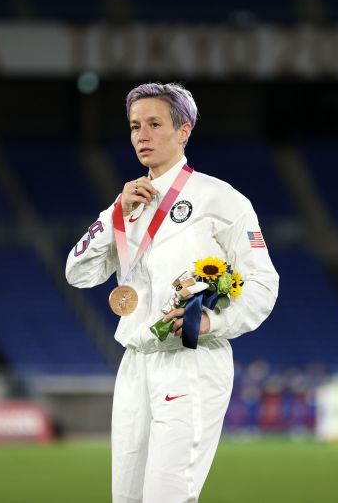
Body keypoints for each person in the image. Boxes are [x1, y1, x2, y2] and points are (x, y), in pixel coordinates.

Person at [66, 82, 279, 502]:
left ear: (183, 131)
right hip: (134, 365)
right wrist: (113, 215)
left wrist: (212, 320)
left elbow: (264, 283)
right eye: (134, 126)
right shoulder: (129, 204)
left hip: (191, 363)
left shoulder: (221, 199)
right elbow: (78, 272)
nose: (141, 136)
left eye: (154, 124)